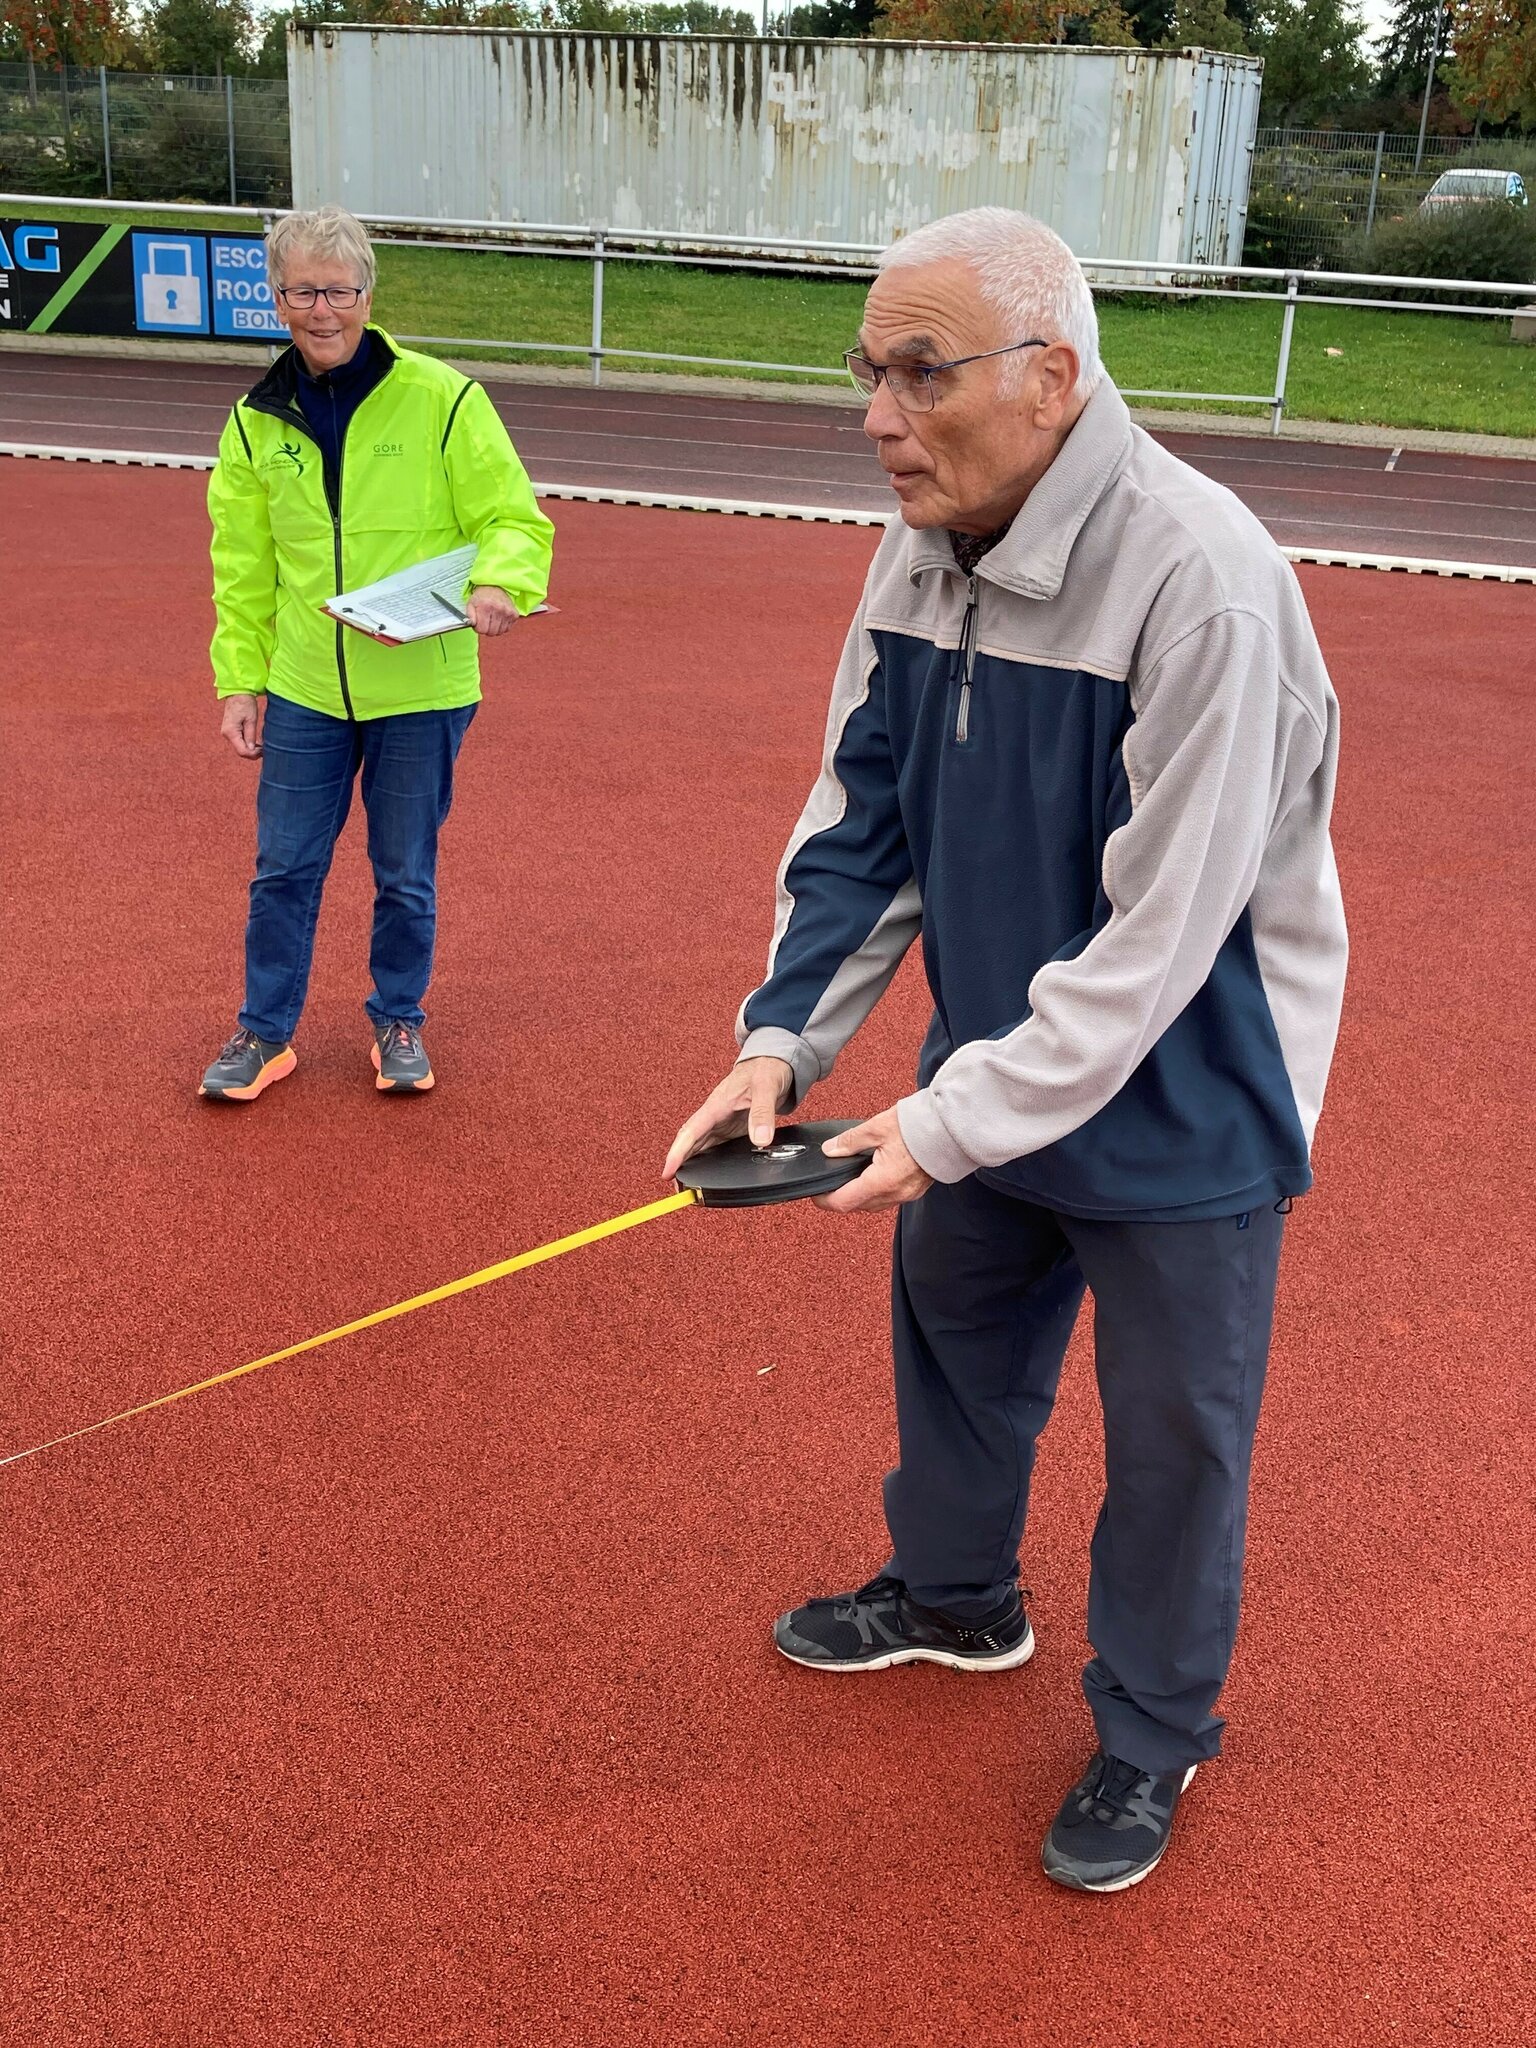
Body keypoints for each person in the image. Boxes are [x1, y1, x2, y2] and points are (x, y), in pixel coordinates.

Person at [665, 208, 1348, 1894]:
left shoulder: (1203, 580)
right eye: (866, 371)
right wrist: (783, 1040)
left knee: (1176, 1434)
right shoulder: (920, 545)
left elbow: (1159, 939)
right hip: (997, 1080)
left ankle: (1151, 1731)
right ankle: (959, 1598)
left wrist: (951, 1110)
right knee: (956, 1339)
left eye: (919, 372)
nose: (877, 417)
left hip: (1192, 1101)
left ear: (1052, 378)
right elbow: (863, 819)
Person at [200, 205, 553, 1101]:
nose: (325, 310)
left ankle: (399, 1017)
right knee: (283, 868)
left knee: (404, 871)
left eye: (342, 290)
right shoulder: (251, 424)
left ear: (369, 292)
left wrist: (501, 582)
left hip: (423, 685)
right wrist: (239, 679)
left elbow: (511, 516)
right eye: (304, 291)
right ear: (275, 298)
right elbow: (241, 569)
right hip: (307, 687)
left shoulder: (444, 399)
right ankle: (262, 1031)